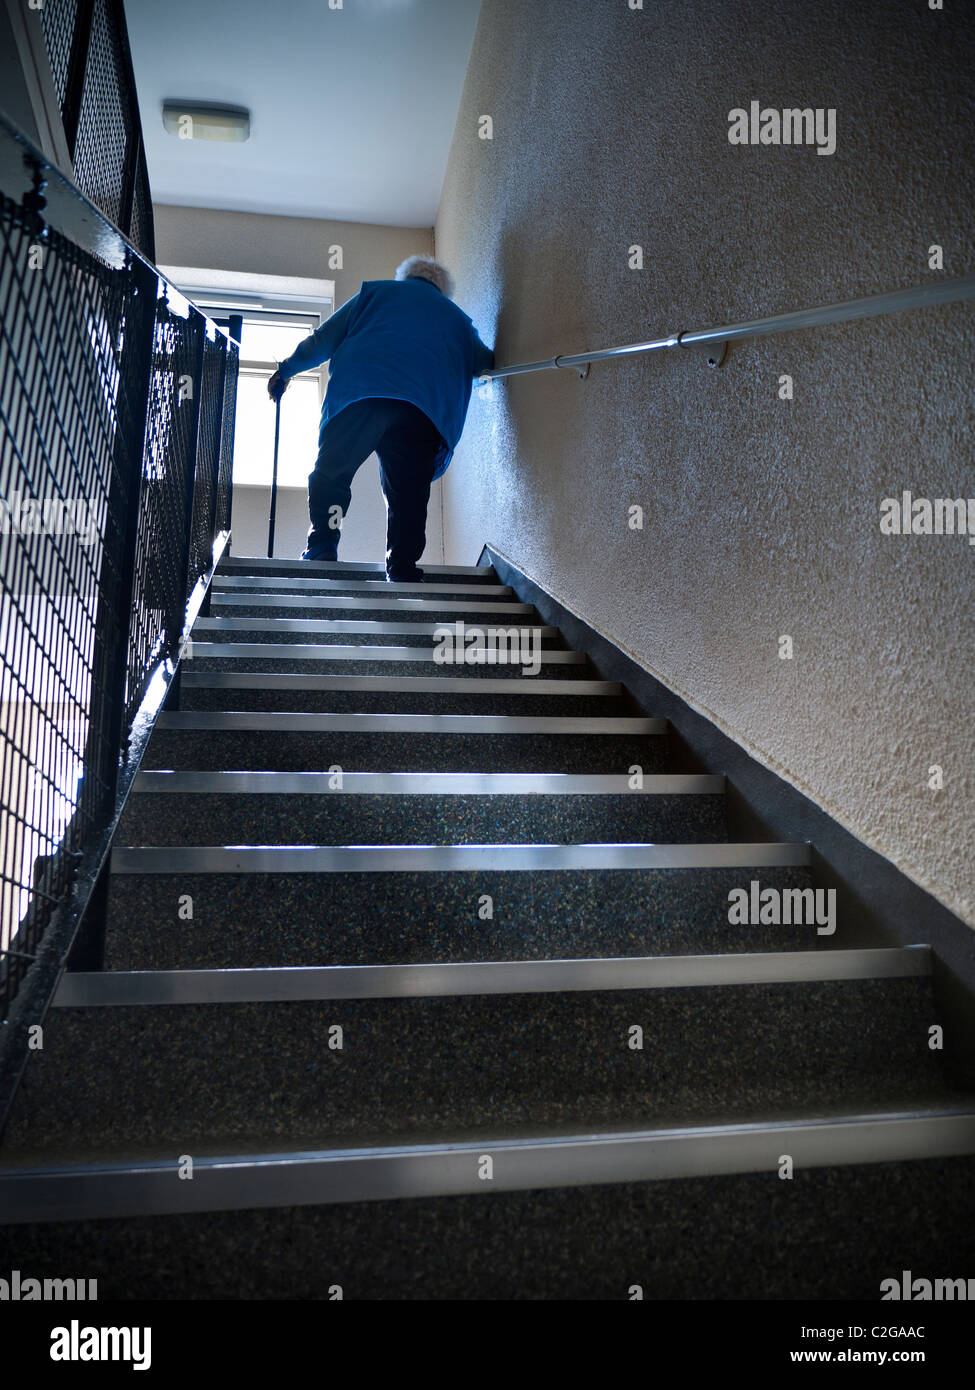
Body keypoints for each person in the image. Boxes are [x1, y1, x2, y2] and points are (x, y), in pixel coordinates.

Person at [267, 255, 494, 582]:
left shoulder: (373, 295)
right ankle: (401, 565)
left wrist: (286, 370)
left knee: (333, 475)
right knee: (408, 495)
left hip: (359, 398)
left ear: (405, 277)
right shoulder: (457, 319)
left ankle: (323, 545)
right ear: (442, 288)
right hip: (420, 415)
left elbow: (322, 341)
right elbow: (485, 363)